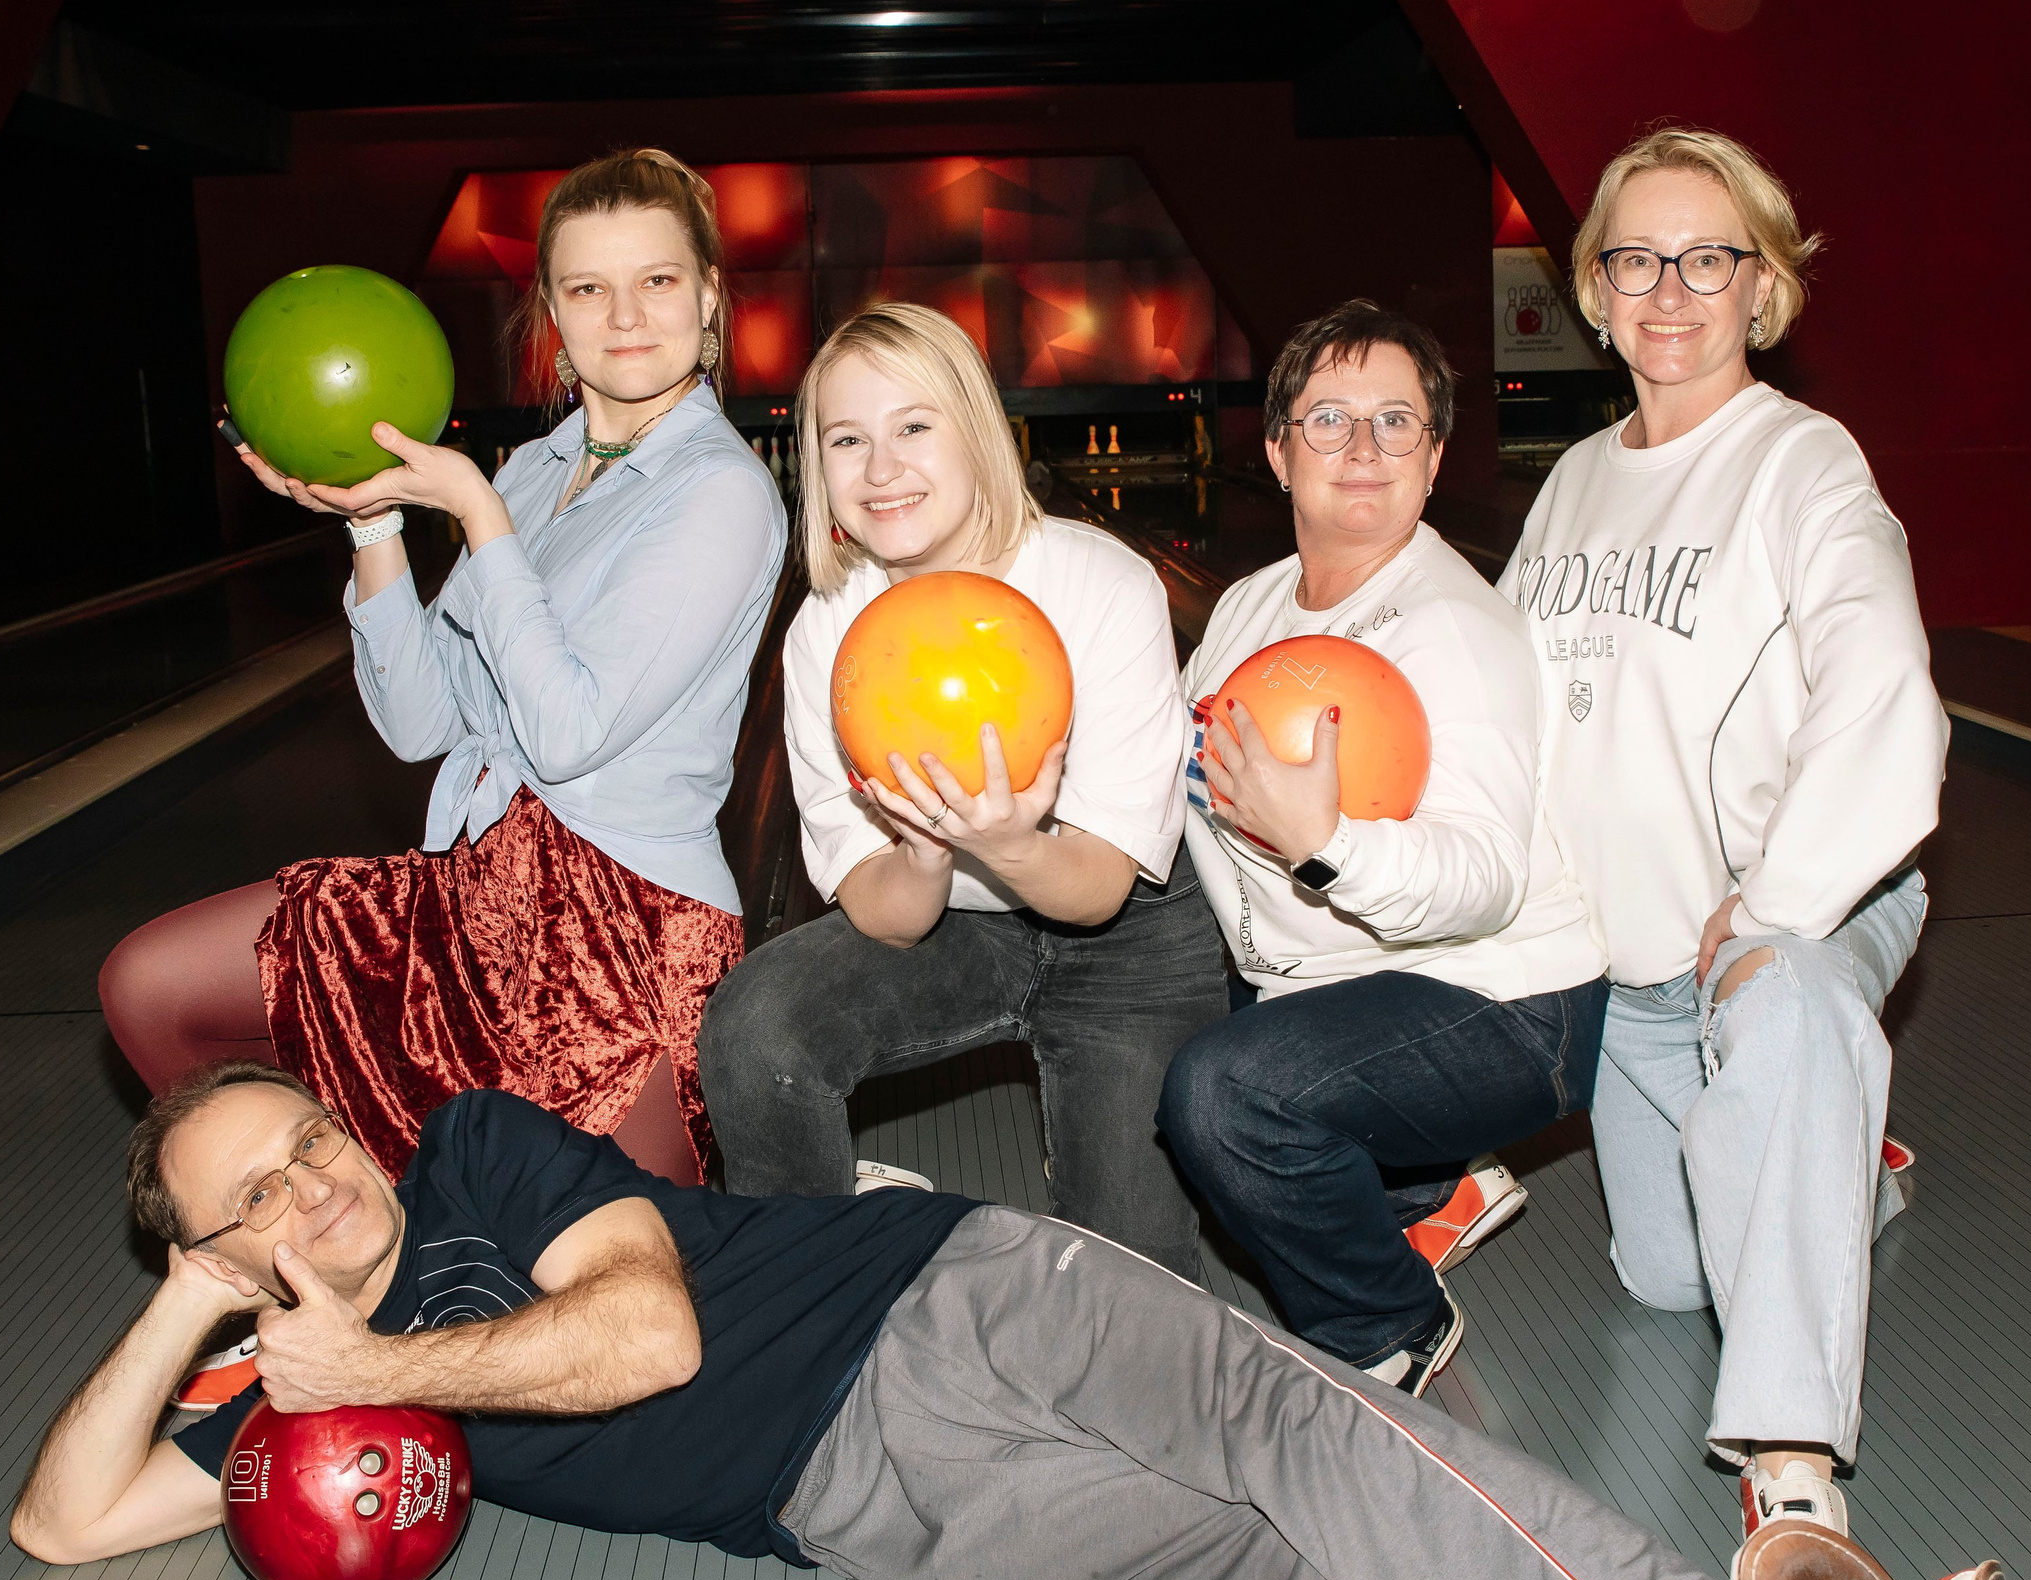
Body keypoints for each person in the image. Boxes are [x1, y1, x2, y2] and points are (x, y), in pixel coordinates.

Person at [10, 1061, 2016, 1580]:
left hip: (941, 1288)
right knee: (1285, 1575)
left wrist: (374, 1373)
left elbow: (635, 1336)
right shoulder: (284, 1380)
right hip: (865, 1503)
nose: (309, 1193)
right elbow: (65, 1523)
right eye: (248, 1202)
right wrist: (197, 1310)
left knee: (1287, 1423)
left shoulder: (465, 1152)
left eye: (304, 1148)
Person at [96, 149, 787, 1178]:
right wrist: (375, 528)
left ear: (710, 299)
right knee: (147, 984)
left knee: (634, 1305)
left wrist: (477, 517)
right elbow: (424, 725)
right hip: (468, 893)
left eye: (658, 280)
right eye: (588, 288)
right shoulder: (536, 470)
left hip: (622, 936)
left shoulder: (720, 492)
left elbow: (567, 734)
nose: (626, 314)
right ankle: (323, 1233)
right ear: (552, 307)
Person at [1504, 129, 1954, 1554]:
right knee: (1663, 1281)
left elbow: (1883, 682)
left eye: (1711, 258)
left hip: (1790, 909)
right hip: (1633, 969)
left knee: (1798, 1006)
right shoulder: (1572, 482)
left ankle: (1796, 1471)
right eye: (1637, 258)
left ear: (1761, 288)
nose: (1672, 290)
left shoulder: (1802, 464)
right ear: (1594, 290)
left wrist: (1781, 902)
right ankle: (1837, 1161)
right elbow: (1505, 712)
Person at [695, 304, 1227, 1279]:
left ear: (976, 428)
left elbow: (1101, 888)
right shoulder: (829, 630)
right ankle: (808, 1297)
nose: (880, 467)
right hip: (955, 922)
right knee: (755, 1026)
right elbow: (888, 917)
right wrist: (926, 850)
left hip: (1126, 937)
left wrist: (1017, 843)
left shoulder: (1101, 586)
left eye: (913, 426)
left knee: (1130, 1280)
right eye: (845, 439)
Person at [1154, 301, 1609, 1397]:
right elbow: (1182, 785)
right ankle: (1419, 1187)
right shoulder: (1255, 606)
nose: (1361, 449)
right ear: (1275, 449)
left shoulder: (1449, 627)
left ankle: (1385, 1330)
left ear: (1435, 454)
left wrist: (1324, 843)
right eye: (1328, 420)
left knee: (1222, 1096)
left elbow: (1481, 883)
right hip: (1352, 983)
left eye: (1395, 422)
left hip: (1505, 1002)